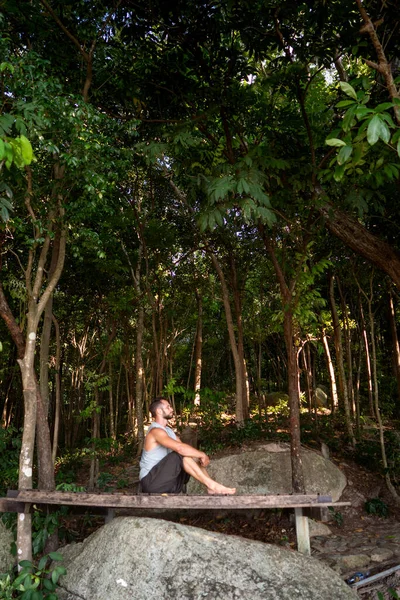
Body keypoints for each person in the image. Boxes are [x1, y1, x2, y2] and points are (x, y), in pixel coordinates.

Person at [139, 397, 236, 495]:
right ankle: (212, 485)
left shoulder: (168, 431)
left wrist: (198, 456)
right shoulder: (155, 431)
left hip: (170, 483)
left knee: (189, 455)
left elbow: (185, 450)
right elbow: (180, 449)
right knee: (179, 454)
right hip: (151, 483)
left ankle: (210, 486)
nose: (172, 409)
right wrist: (202, 454)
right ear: (159, 411)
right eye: (168, 407)